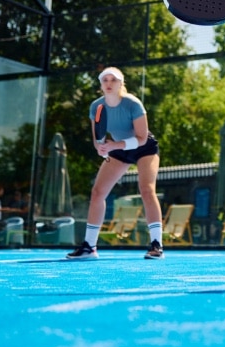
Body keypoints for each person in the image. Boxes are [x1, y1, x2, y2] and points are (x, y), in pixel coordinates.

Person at [67, 67, 164, 260]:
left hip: (144, 147)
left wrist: (113, 145)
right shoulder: (96, 107)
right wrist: (101, 148)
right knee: (97, 192)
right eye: (105, 80)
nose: (109, 83)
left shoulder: (133, 104)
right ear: (101, 85)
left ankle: (157, 245)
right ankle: (89, 247)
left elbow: (142, 138)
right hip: (117, 148)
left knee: (146, 189)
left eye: (113, 80)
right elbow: (97, 139)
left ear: (121, 84)